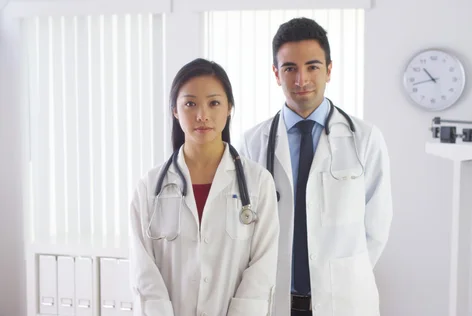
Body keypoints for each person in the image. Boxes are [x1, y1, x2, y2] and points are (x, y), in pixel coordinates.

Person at [240, 18, 393, 316]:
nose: (301, 80)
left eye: (312, 67)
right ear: (276, 73)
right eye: (290, 69)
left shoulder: (365, 139)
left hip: (345, 302)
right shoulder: (253, 143)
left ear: (329, 70)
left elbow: (377, 226)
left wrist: (343, 276)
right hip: (274, 301)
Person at [129, 58, 279, 316]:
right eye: (190, 104)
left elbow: (261, 270)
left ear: (229, 107)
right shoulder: (149, 187)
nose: (202, 115)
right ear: (175, 110)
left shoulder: (258, 183)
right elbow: (144, 273)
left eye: (214, 103)